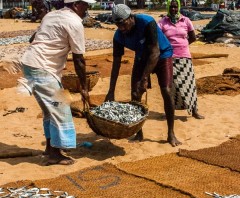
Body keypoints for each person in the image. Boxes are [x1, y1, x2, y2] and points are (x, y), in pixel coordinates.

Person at [21, 0, 95, 165]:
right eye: (85, 5)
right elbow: (79, 59)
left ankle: (50, 148)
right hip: (43, 68)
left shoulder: (52, 15)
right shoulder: (74, 22)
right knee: (61, 107)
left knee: (50, 109)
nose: (87, 8)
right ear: (76, 4)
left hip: (30, 64)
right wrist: (84, 88)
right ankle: (55, 154)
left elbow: (33, 38)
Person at [105, 4, 181, 147]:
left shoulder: (147, 22)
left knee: (166, 90)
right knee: (135, 93)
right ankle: (138, 132)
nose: (122, 28)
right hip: (142, 57)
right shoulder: (118, 36)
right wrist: (111, 91)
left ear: (131, 17)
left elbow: (155, 52)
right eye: (117, 25)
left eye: (123, 23)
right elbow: (116, 64)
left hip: (162, 54)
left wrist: (145, 78)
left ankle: (171, 133)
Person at [158, 0, 204, 119]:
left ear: (178, 7)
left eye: (175, 7)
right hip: (169, 58)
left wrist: (183, 45)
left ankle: (194, 111)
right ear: (168, 7)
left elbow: (193, 37)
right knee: (170, 87)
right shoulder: (162, 22)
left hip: (184, 57)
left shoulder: (186, 20)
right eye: (171, 7)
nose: (173, 9)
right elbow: (157, 38)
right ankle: (169, 112)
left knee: (190, 84)